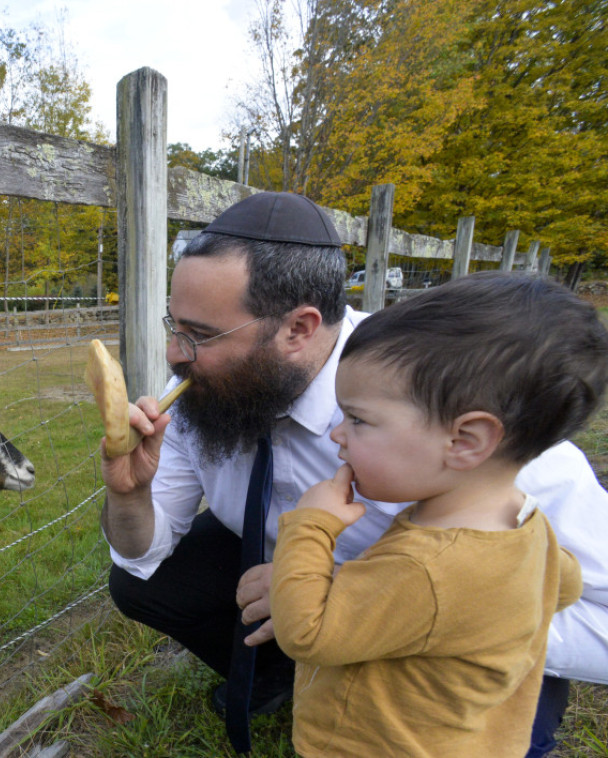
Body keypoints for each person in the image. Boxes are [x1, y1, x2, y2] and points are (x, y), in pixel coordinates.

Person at [99, 191, 608, 756]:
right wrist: (130, 494)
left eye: (200, 334)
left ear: (299, 328)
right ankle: (279, 676)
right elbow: (141, 555)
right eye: (175, 325)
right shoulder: (212, 393)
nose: (175, 353)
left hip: (460, 644)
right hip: (309, 574)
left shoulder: (451, 413)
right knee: (143, 583)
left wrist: (361, 602)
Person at [266, 272, 606, 756]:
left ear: (465, 441)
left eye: (358, 419)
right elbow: (563, 584)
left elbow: (308, 633)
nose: (337, 435)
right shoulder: (526, 525)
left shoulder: (426, 568)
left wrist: (310, 526)